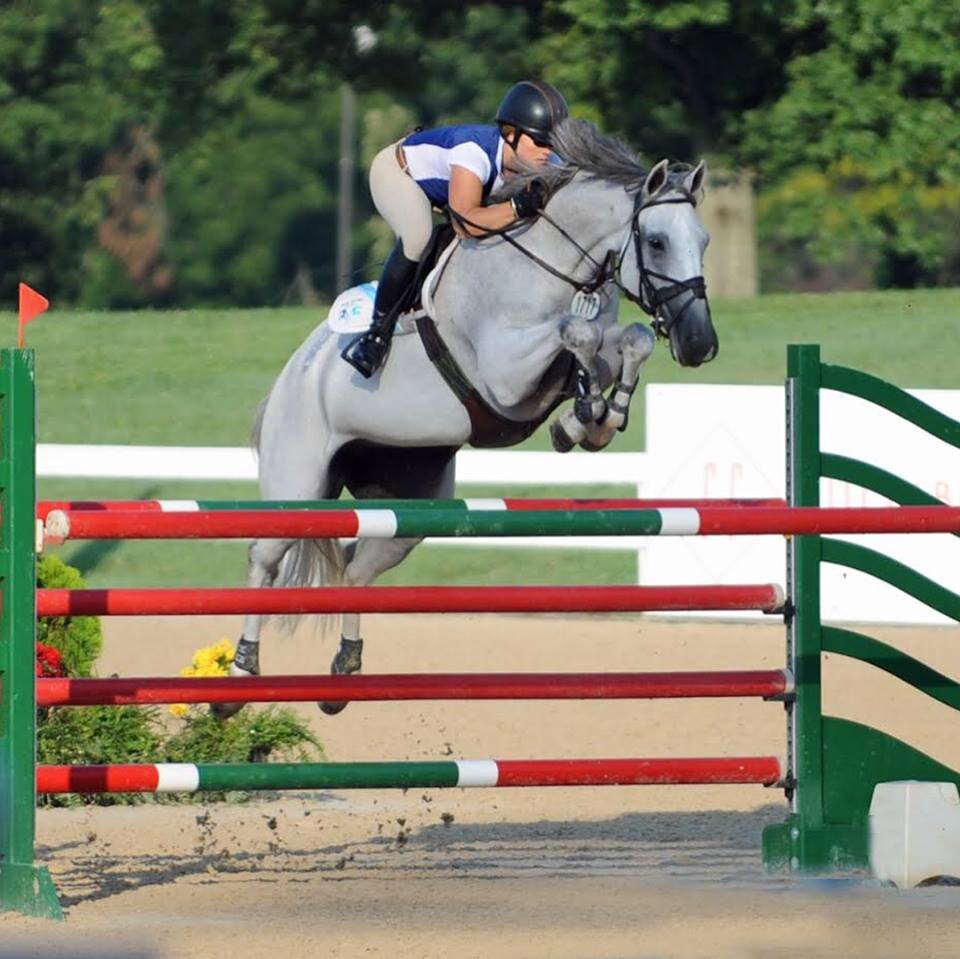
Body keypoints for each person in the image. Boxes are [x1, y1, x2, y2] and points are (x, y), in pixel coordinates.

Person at [341, 79, 569, 378]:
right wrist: (515, 208)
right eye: (540, 142)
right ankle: (376, 335)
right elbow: (466, 224)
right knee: (418, 237)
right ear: (510, 135)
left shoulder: (550, 162)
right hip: (399, 173)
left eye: (553, 144)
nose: (548, 152)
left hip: (449, 193)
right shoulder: (473, 152)